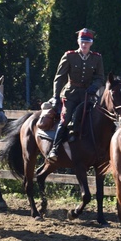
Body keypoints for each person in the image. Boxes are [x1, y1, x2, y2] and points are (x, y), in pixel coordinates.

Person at [47, 28, 105, 162]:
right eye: (82, 41)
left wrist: (94, 86)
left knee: (96, 118)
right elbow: (59, 77)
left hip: (87, 94)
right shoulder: (69, 56)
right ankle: (54, 149)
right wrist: (56, 96)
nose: (84, 45)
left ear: (91, 43)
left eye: (87, 42)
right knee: (66, 118)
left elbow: (100, 77)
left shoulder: (97, 58)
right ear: (78, 42)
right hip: (71, 94)